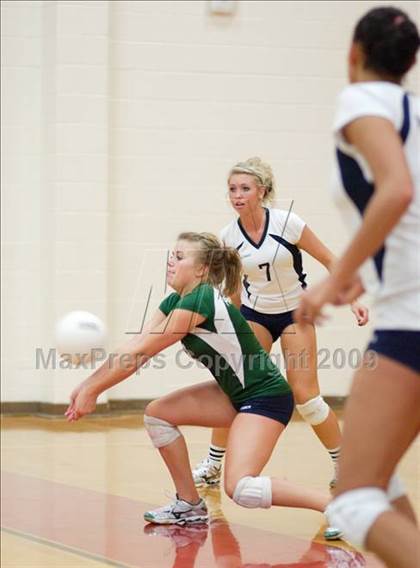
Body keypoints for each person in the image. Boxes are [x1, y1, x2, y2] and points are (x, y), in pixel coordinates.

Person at [66, 231, 338, 536]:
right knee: (158, 415)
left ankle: (335, 506)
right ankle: (190, 505)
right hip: (235, 394)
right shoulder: (175, 301)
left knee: (241, 488)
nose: (171, 261)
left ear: (202, 269)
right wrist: (88, 384)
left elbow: (143, 353)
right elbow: (135, 345)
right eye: (171, 255)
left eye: (180, 257)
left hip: (266, 397)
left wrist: (94, 389)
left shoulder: (201, 301)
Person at [294, 7, 420, 568]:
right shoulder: (411, 112)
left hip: (410, 318)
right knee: (377, 475)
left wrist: (334, 281)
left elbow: (395, 192)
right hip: (404, 305)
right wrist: (360, 272)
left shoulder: (362, 100)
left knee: (351, 501)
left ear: (353, 53)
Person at [192, 157, 369, 491]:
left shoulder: (288, 223)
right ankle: (214, 465)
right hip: (255, 315)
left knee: (305, 396)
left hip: (295, 315)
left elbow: (331, 260)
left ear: (263, 191)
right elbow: (233, 291)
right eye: (232, 189)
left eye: (245, 188)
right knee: (235, 389)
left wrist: (355, 301)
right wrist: (227, 328)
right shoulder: (228, 236)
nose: (237, 195)